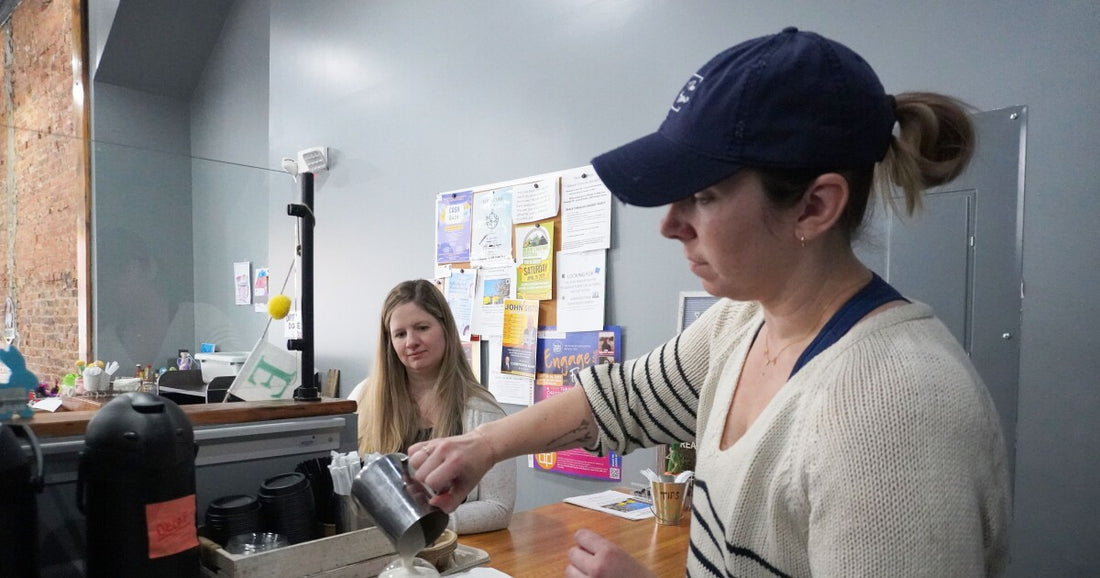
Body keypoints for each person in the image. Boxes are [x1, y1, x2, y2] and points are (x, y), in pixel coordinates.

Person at [409, 27, 1011, 576]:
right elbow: (616, 401)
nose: (670, 225)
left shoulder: (891, 410)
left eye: (702, 195)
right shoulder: (744, 323)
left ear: (814, 207)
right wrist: (483, 446)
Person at [349, 279, 515, 535]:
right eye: (400, 334)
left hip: (452, 552)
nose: (411, 341)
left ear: (445, 329)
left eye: (422, 327)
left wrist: (415, 523)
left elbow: (498, 509)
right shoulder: (363, 397)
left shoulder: (482, 411)